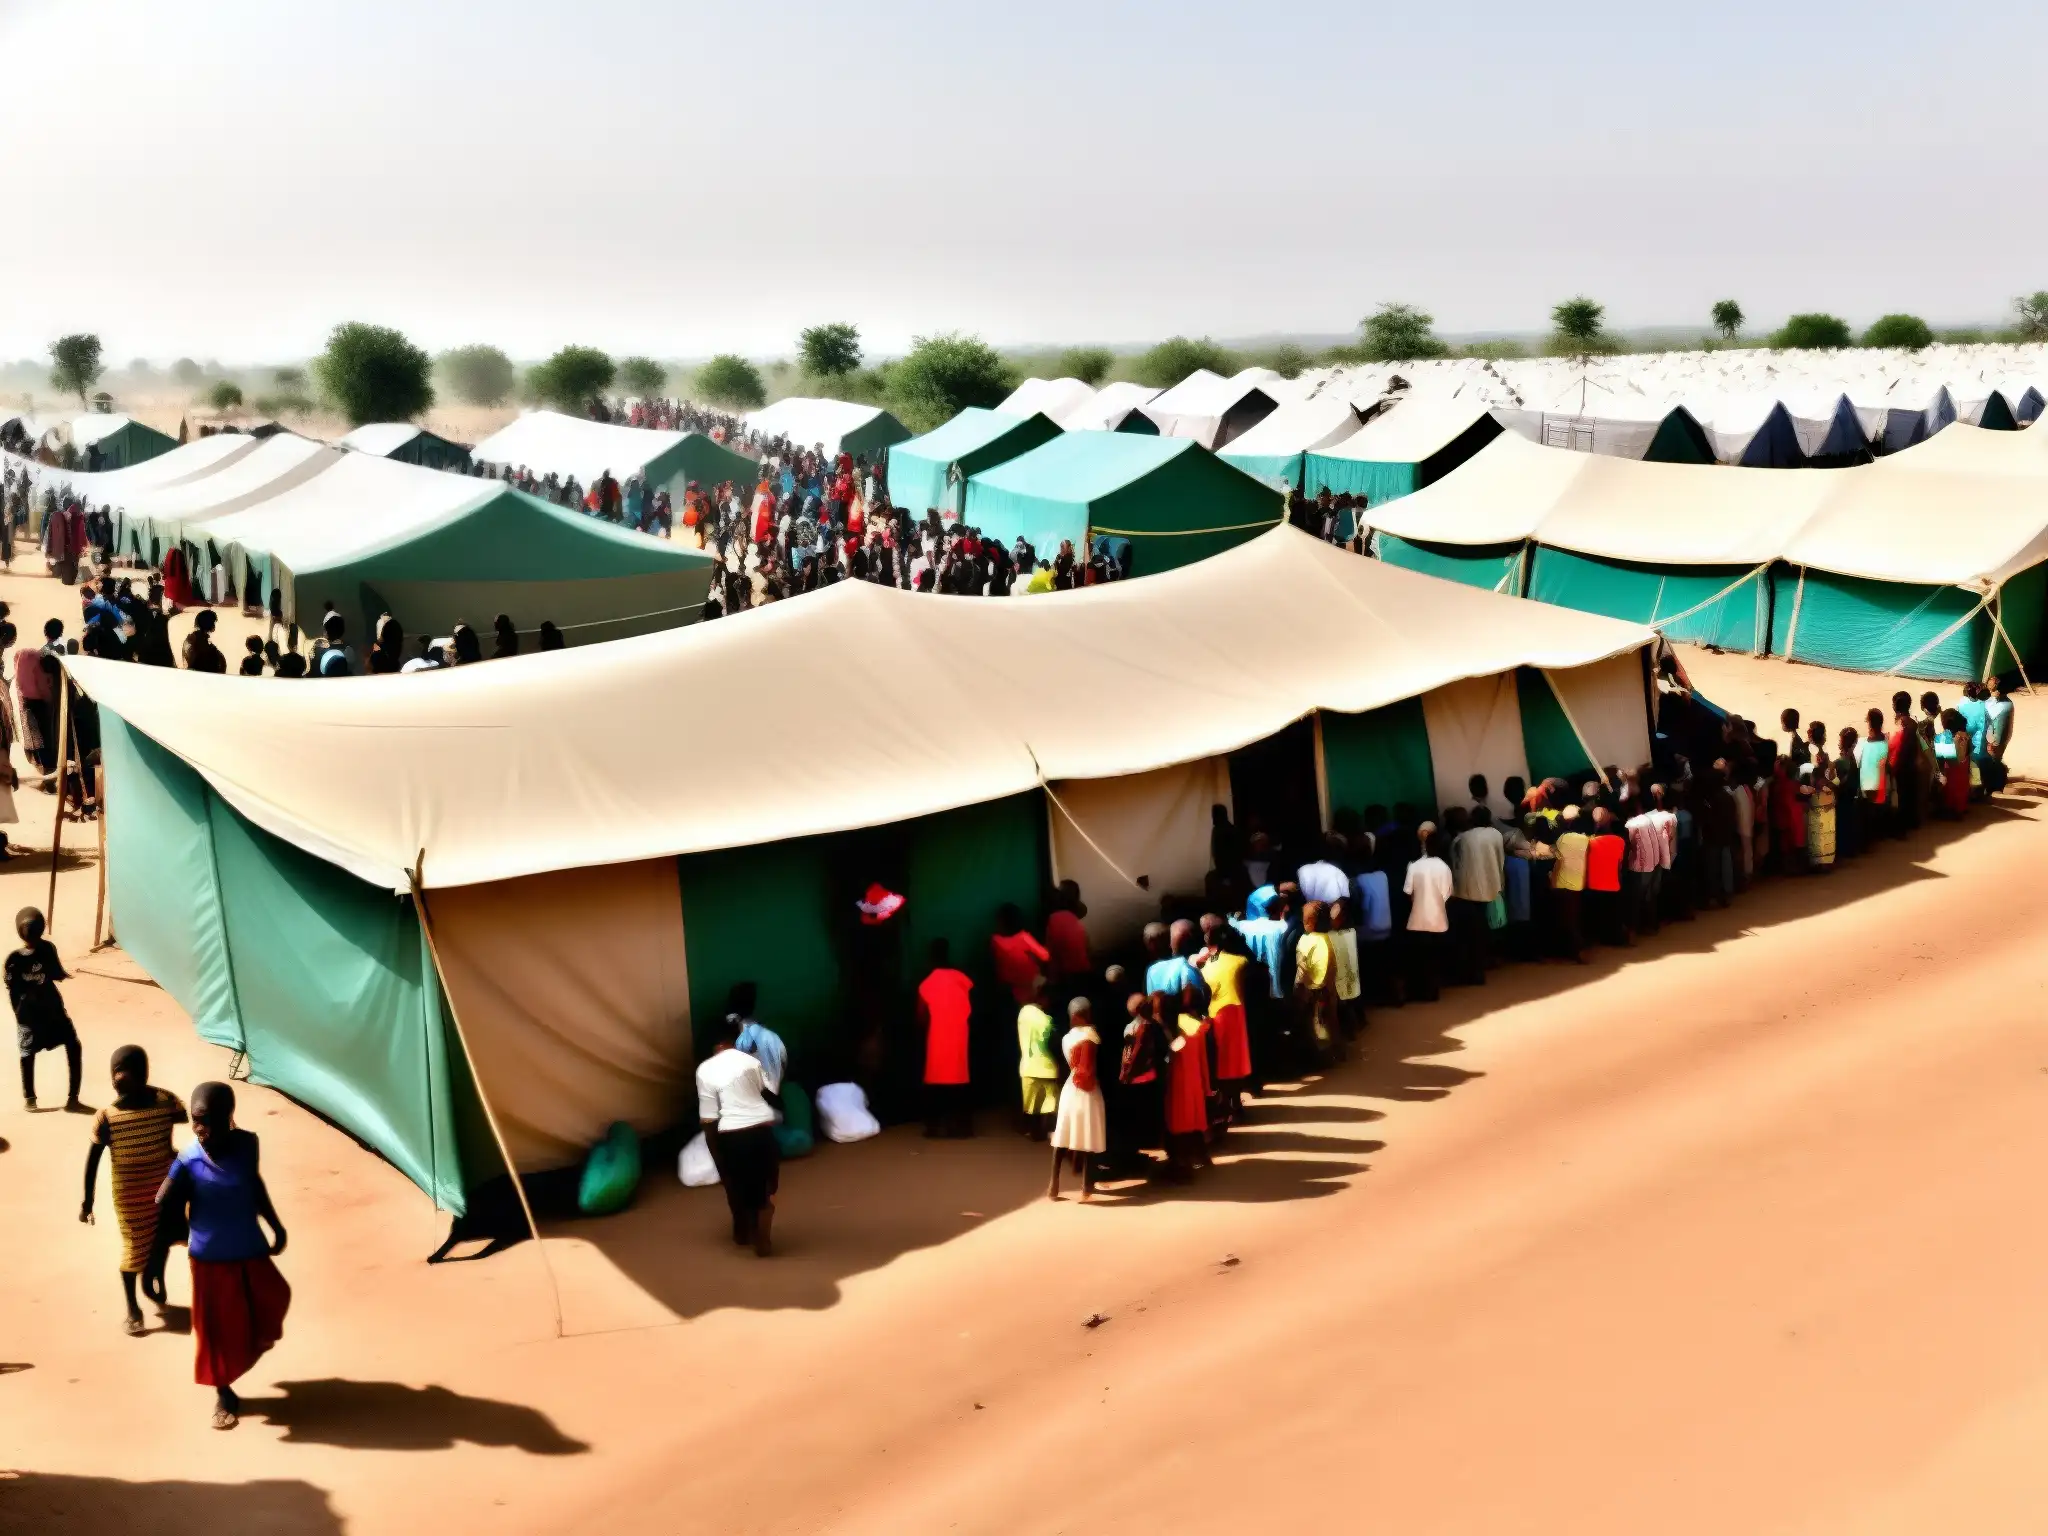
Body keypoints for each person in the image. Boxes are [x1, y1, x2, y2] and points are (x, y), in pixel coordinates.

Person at [144, 1081, 290, 1430]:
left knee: (273, 1300)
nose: (199, 1129)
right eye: (195, 1120)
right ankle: (224, 1393)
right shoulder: (189, 1160)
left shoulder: (247, 1144)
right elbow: (163, 1202)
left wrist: (275, 1224)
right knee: (216, 1333)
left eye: (207, 1120)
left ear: (228, 1118)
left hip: (250, 1248)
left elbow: (254, 1184)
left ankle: (238, 1364)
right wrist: (154, 1261)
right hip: (210, 1260)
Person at [81, 1046, 187, 1335]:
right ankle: (147, 1296)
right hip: (157, 1191)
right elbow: (183, 1115)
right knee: (149, 1244)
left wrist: (87, 1202)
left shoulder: (107, 1116)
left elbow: (93, 1161)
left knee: (143, 1244)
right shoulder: (164, 1102)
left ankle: (138, 1306)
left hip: (134, 1195)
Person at [696, 1018, 781, 1256]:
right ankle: (763, 1216)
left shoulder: (706, 1070)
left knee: (735, 1184)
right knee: (763, 1184)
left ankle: (743, 1231)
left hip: (732, 1133)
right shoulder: (753, 1062)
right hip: (762, 1130)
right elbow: (768, 1096)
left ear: (716, 1046)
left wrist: (716, 1153)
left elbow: (709, 1118)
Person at [12, 907, 80, 1111]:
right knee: (73, 1045)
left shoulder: (13, 959)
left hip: (27, 1014)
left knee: (26, 1052)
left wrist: (19, 1013)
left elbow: (12, 988)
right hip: (53, 1011)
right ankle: (73, 1097)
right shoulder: (48, 949)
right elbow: (58, 974)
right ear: (43, 928)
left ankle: (30, 1099)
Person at [1047, 997, 1105, 1200]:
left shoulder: (1066, 1038)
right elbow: (1089, 1068)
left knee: (1062, 1136)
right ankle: (1086, 1187)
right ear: (1082, 1016)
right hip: (1088, 1091)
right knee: (1088, 1137)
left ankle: (1053, 1185)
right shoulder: (1091, 1036)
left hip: (1070, 1088)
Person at [1196, 917, 1254, 1120]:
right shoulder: (1240, 962)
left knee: (1220, 1062)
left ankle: (1226, 1106)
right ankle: (1236, 1104)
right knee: (1236, 1062)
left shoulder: (1203, 968)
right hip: (1236, 1016)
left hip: (1215, 1016)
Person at [916, 939, 974, 1138]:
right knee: (959, 1079)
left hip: (938, 1036)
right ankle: (961, 1126)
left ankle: (935, 1127)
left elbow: (921, 1014)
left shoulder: (927, 983)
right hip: (959, 1035)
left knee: (935, 1079)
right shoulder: (961, 978)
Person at [1402, 826, 1453, 1001]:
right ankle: (1433, 992)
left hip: (1417, 919)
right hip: (1438, 920)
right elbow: (1447, 894)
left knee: (1420, 959)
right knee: (1435, 957)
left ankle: (1420, 992)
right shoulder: (1444, 867)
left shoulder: (1414, 866)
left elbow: (1408, 892)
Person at [1016, 975, 1060, 1139]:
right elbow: (1052, 1044)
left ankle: (1031, 1131)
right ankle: (1045, 1132)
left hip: (1027, 1067)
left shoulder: (1023, 1013)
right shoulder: (1047, 1020)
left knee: (1031, 1105)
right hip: (1047, 1068)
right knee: (1049, 1104)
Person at [989, 903, 1050, 1007]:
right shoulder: (1024, 937)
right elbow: (1045, 956)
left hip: (1010, 990)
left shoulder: (995, 941)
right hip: (1029, 988)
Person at [1550, 806, 1590, 961]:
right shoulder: (1584, 839)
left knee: (1565, 920)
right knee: (1573, 918)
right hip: (1578, 883)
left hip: (1562, 883)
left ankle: (1577, 950)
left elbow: (1558, 863)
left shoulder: (1561, 839)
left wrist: (1552, 881)